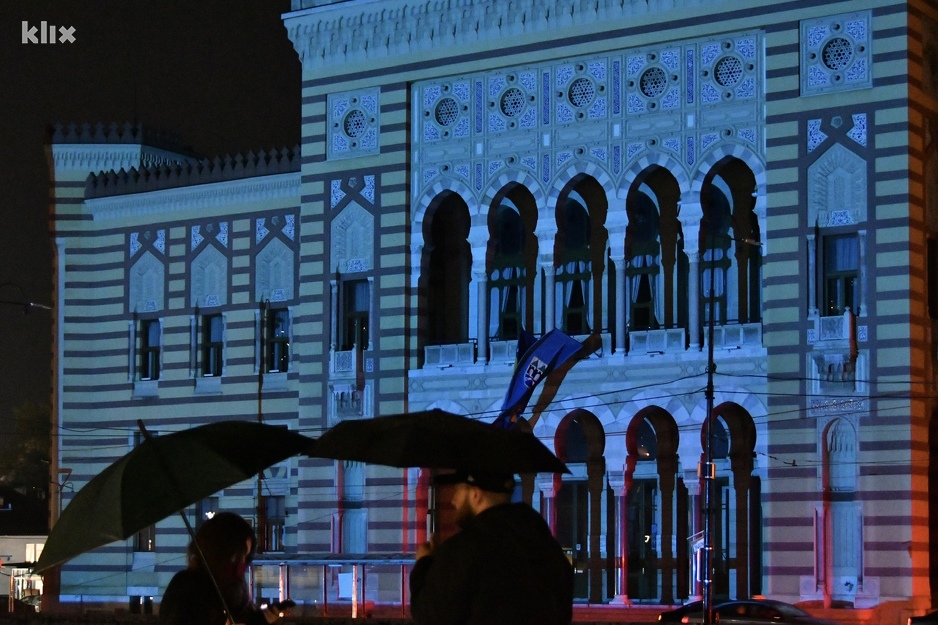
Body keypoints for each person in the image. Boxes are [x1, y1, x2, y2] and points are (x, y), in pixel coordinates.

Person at [410, 470, 573, 625]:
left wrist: (424, 564)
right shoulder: (546, 546)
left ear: (475, 494)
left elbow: (429, 617)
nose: (453, 500)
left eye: (458, 490)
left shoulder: (464, 550)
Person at [160, 512, 286, 625]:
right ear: (218, 552)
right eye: (237, 556)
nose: (242, 563)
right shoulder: (185, 587)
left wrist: (262, 619)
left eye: (246, 557)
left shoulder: (233, 590)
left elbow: (242, 617)